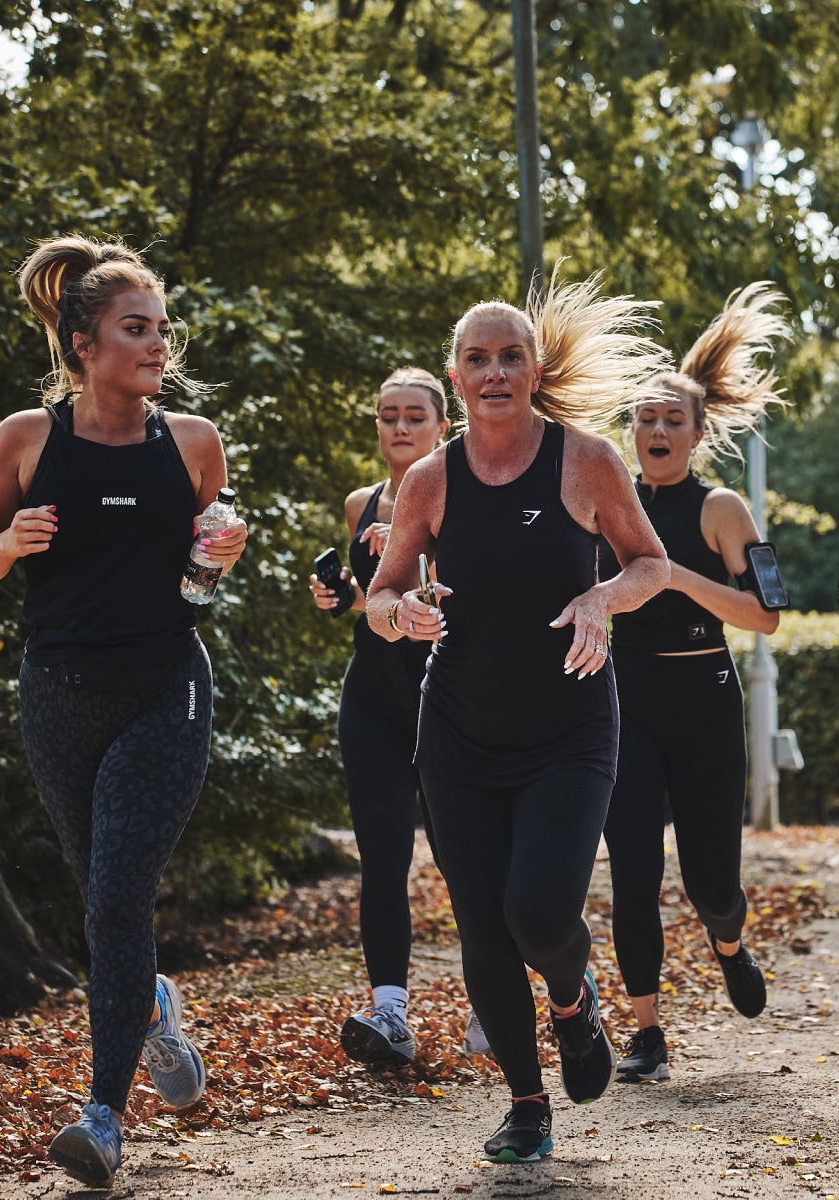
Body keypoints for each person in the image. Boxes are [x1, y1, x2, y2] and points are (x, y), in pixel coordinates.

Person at [0, 236, 249, 1187]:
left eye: (162, 328)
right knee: (104, 906)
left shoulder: (193, 443)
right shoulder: (27, 439)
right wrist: (15, 536)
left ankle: (104, 1116)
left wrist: (218, 557)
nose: (158, 344)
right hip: (58, 695)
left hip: (167, 687)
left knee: (118, 898)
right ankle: (151, 1006)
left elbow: (199, 585)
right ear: (84, 343)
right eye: (136, 329)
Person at [365, 275, 669, 1164]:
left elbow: (650, 565)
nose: (494, 372)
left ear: (535, 370)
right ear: (454, 376)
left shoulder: (588, 462)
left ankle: (574, 1003)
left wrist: (603, 598)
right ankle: (527, 1104)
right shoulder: (428, 480)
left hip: (571, 729)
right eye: (476, 359)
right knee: (483, 925)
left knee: (537, 911)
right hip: (457, 731)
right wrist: (402, 611)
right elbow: (381, 592)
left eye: (510, 357)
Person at [599, 284, 788, 1083]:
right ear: (631, 432)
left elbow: (770, 615)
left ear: (699, 432)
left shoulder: (721, 508)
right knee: (633, 871)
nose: (657, 429)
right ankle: (647, 1030)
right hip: (625, 701)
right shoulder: (606, 503)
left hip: (705, 696)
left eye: (673, 418)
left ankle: (729, 942)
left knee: (712, 878)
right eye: (645, 418)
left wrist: (675, 576)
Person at [307, 369, 450, 1063]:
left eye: (414, 416)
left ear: (441, 426)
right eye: (388, 415)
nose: (399, 427)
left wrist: (417, 541)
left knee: (464, 859)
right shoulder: (360, 501)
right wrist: (337, 595)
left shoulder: (464, 493)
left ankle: (495, 1003)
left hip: (448, 693)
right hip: (373, 696)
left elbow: (470, 595)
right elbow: (372, 602)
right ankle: (389, 1012)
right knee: (383, 857)